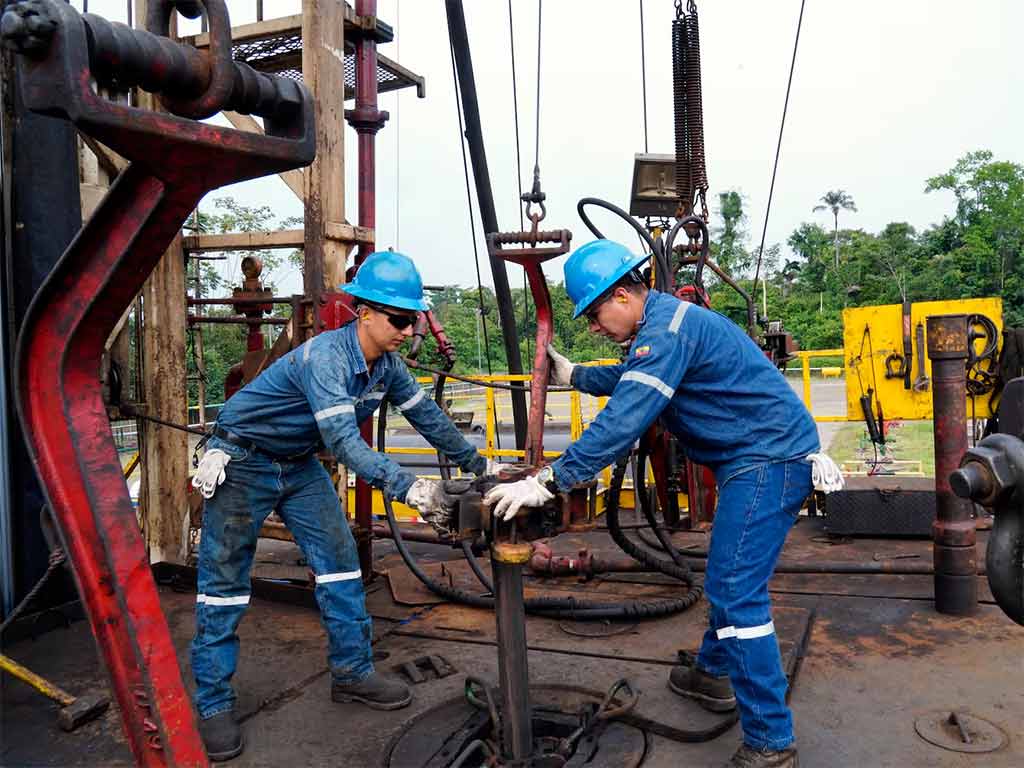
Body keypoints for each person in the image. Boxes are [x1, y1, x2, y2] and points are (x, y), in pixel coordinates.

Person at [485, 239, 841, 768]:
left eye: (594, 314)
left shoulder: (667, 331)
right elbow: (630, 376)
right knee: (730, 577)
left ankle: (771, 741)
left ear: (622, 295)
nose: (594, 327)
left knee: (736, 591)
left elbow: (626, 416)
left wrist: (551, 480)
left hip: (768, 461)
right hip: (760, 457)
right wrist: (575, 376)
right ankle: (712, 673)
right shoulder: (666, 325)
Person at [189, 251, 494, 761]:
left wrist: (481, 466)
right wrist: (413, 491)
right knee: (224, 584)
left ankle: (352, 673)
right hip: (242, 461)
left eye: (413, 321)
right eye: (399, 320)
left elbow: (428, 418)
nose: (407, 331)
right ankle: (213, 703)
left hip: (296, 462)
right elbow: (346, 444)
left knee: (340, 565)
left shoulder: (387, 367)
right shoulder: (327, 358)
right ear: (365, 313)